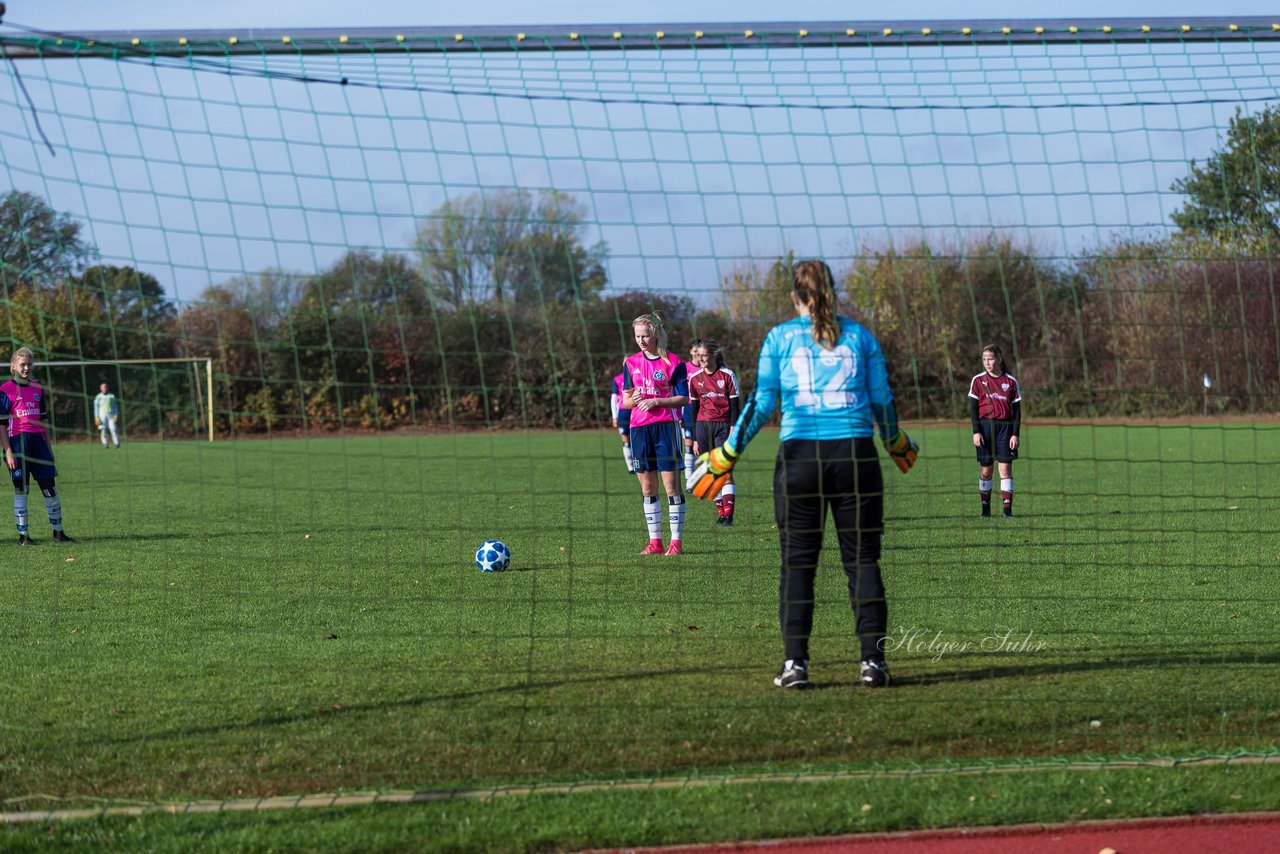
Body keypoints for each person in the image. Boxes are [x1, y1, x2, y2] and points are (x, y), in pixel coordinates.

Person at [687, 260, 917, 689]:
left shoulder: (780, 338)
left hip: (799, 461)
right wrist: (894, 440)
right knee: (863, 561)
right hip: (856, 458)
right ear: (834, 293)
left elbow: (760, 403)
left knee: (797, 566)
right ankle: (873, 663)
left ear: (795, 297)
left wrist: (726, 455)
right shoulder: (861, 337)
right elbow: (883, 399)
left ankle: (795, 665)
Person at [621, 313, 689, 556]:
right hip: (639, 429)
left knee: (671, 487)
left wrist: (657, 401)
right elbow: (626, 401)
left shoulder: (673, 362)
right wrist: (635, 399)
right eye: (637, 336)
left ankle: (676, 543)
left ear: (656, 334)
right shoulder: (630, 363)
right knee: (648, 489)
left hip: (665, 429)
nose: (641, 340)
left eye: (645, 335)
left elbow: (684, 398)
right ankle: (655, 543)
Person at [0, 347, 76, 545]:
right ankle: (24, 537)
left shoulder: (37, 388)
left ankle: (58, 533)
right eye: (22, 364)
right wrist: (8, 452)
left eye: (29, 364)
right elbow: (1, 425)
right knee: (21, 490)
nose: (26, 368)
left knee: (50, 489)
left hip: (39, 444)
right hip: (18, 444)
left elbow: (43, 423)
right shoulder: (4, 390)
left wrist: (49, 450)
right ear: (13, 366)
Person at [688, 339, 740, 525]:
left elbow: (735, 407)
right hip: (702, 427)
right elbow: (693, 410)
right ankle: (721, 513)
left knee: (724, 470)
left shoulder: (727, 375)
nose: (700, 358)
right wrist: (694, 438)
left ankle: (729, 514)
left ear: (713, 355)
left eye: (703, 355)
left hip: (724, 427)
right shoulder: (694, 379)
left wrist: (733, 429)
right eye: (697, 355)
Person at [968, 344, 1022, 518]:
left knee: (1005, 470)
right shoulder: (977, 381)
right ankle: (985, 509)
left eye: (990, 359)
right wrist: (976, 431)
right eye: (984, 359)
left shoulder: (1011, 382)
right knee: (986, 470)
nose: (987, 362)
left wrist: (1015, 434)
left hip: (1005, 429)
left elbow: (1017, 411)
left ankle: (1007, 511)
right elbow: (973, 409)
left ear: (998, 359)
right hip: (984, 428)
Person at [609, 372, 634, 472]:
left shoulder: (637, 375)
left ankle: (638, 464)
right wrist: (614, 417)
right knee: (626, 440)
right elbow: (614, 398)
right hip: (623, 412)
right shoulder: (617, 379)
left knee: (637, 439)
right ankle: (630, 467)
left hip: (636, 411)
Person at [93, 381, 121, 449]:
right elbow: (96, 408)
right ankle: (106, 444)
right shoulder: (98, 397)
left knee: (113, 429)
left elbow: (115, 406)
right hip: (102, 415)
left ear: (107, 388)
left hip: (110, 415)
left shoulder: (111, 396)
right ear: (101, 388)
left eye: (105, 387)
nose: (104, 388)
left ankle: (117, 444)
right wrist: (96, 417)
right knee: (104, 430)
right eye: (103, 387)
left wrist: (116, 415)